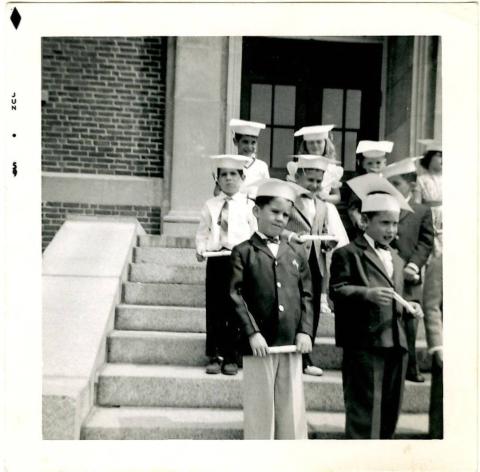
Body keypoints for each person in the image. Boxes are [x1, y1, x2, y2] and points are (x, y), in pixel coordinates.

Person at [330, 173, 423, 439]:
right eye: (384, 223)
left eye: (394, 224)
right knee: (364, 408)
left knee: (390, 409)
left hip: (397, 340)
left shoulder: (396, 256)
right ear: (364, 221)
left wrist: (409, 307)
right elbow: (336, 291)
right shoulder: (347, 254)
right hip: (365, 342)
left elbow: (398, 297)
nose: (391, 230)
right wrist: (366, 294)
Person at [230, 178, 315, 439]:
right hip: (260, 343)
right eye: (274, 212)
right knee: (261, 408)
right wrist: (252, 332)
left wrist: (305, 332)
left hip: (290, 340)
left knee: (291, 409)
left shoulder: (296, 252)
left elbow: (308, 295)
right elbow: (235, 295)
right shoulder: (243, 252)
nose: (280, 219)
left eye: (286, 215)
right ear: (257, 212)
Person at [283, 154, 349, 376]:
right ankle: (292, 353)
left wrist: (329, 241)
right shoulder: (288, 201)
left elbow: (326, 232)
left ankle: (307, 355)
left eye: (318, 181)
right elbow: (277, 227)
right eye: (309, 180)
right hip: (292, 258)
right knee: (293, 305)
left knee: (312, 308)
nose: (314, 185)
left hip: (316, 261)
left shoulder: (323, 205)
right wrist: (292, 236)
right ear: (298, 176)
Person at [196, 154, 257, 376]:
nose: (229, 179)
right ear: (218, 180)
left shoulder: (249, 206)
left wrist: (253, 257)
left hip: (239, 259)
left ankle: (232, 355)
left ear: (242, 178)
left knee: (235, 308)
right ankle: (215, 354)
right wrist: (200, 249)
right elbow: (203, 231)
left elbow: (254, 234)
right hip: (216, 259)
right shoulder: (211, 205)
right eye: (224, 175)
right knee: (215, 308)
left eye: (233, 174)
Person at [383, 157, 435, 383]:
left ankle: (411, 366)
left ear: (412, 186)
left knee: (410, 323)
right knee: (387, 320)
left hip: (410, 276)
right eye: (389, 184)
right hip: (387, 273)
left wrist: (414, 264)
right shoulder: (382, 208)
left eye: (397, 184)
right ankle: (389, 366)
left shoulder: (421, 210)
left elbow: (425, 242)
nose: (392, 189)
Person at [415, 139, 443, 438]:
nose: (442, 162)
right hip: (434, 224)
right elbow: (432, 305)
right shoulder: (423, 181)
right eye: (437, 156)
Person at [344, 140, 393, 240]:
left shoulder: (388, 183)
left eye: (378, 163)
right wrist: (358, 219)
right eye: (370, 163)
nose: (374, 167)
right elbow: (353, 208)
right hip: (365, 223)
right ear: (363, 165)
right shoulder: (359, 183)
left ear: (385, 163)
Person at [294, 124, 342, 205]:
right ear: (305, 145)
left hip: (324, 204)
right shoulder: (298, 166)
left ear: (326, 144)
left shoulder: (332, 169)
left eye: (319, 142)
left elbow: (337, 197)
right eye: (311, 143)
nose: (315, 146)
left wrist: (325, 197)